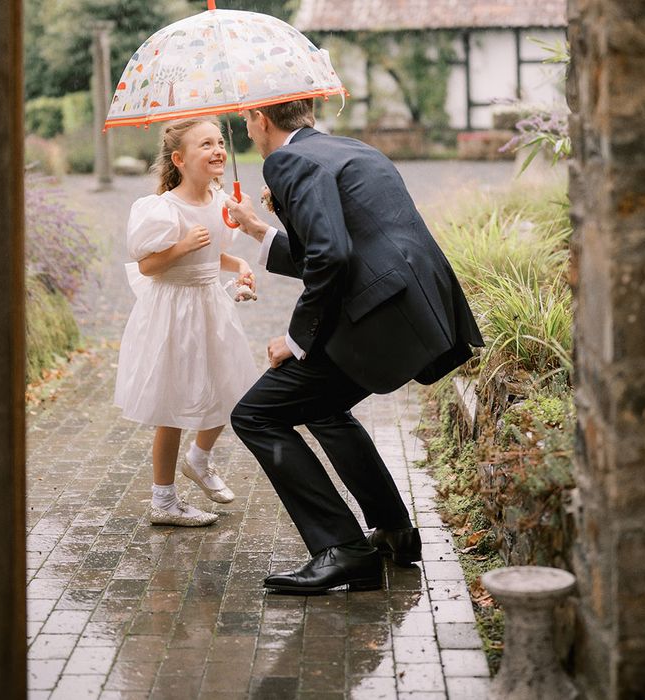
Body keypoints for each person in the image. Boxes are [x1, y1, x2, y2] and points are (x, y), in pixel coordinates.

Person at [225, 99, 484, 593]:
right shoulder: (348, 150)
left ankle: (341, 549)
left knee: (256, 415)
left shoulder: (287, 161)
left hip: (375, 316)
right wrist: (260, 227)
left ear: (262, 120)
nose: (246, 129)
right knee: (323, 409)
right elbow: (345, 244)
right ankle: (394, 530)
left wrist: (296, 340)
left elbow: (332, 256)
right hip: (413, 310)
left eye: (246, 120)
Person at [114, 117, 258, 527]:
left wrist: (242, 265)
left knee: (228, 387)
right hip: (174, 312)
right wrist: (180, 245)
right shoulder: (162, 209)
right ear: (179, 159)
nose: (217, 150)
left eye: (219, 142)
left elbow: (213, 256)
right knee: (173, 406)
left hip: (210, 305)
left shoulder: (219, 201)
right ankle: (163, 501)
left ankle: (199, 459)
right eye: (205, 145)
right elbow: (148, 266)